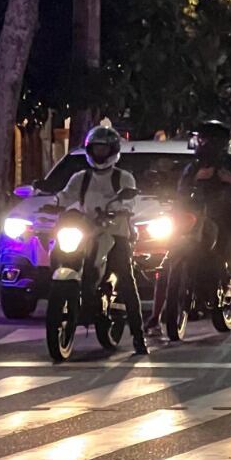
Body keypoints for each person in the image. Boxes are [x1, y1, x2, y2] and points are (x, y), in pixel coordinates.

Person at [56, 123, 148, 354]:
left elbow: (130, 201)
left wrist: (121, 208)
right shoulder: (81, 178)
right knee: (61, 253)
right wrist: (52, 203)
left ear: (113, 150)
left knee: (126, 279)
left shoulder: (123, 178)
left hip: (115, 234)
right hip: (87, 233)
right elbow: (65, 196)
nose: (99, 153)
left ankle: (139, 337)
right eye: (95, 149)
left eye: (103, 149)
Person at [178, 118, 231, 269]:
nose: (199, 143)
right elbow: (182, 190)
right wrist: (197, 179)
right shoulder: (195, 165)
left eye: (203, 139)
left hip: (226, 220)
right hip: (197, 219)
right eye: (199, 139)